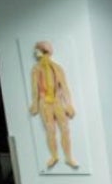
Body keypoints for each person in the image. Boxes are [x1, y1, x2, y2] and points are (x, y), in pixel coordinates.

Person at [27, 40, 78, 170]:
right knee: (50, 130)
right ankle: (54, 156)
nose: (35, 53)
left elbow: (64, 87)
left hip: (57, 101)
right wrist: (34, 104)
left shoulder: (57, 68)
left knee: (65, 129)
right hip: (45, 102)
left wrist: (69, 105)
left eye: (37, 50)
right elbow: (35, 88)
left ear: (44, 52)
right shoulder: (36, 69)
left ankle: (68, 157)